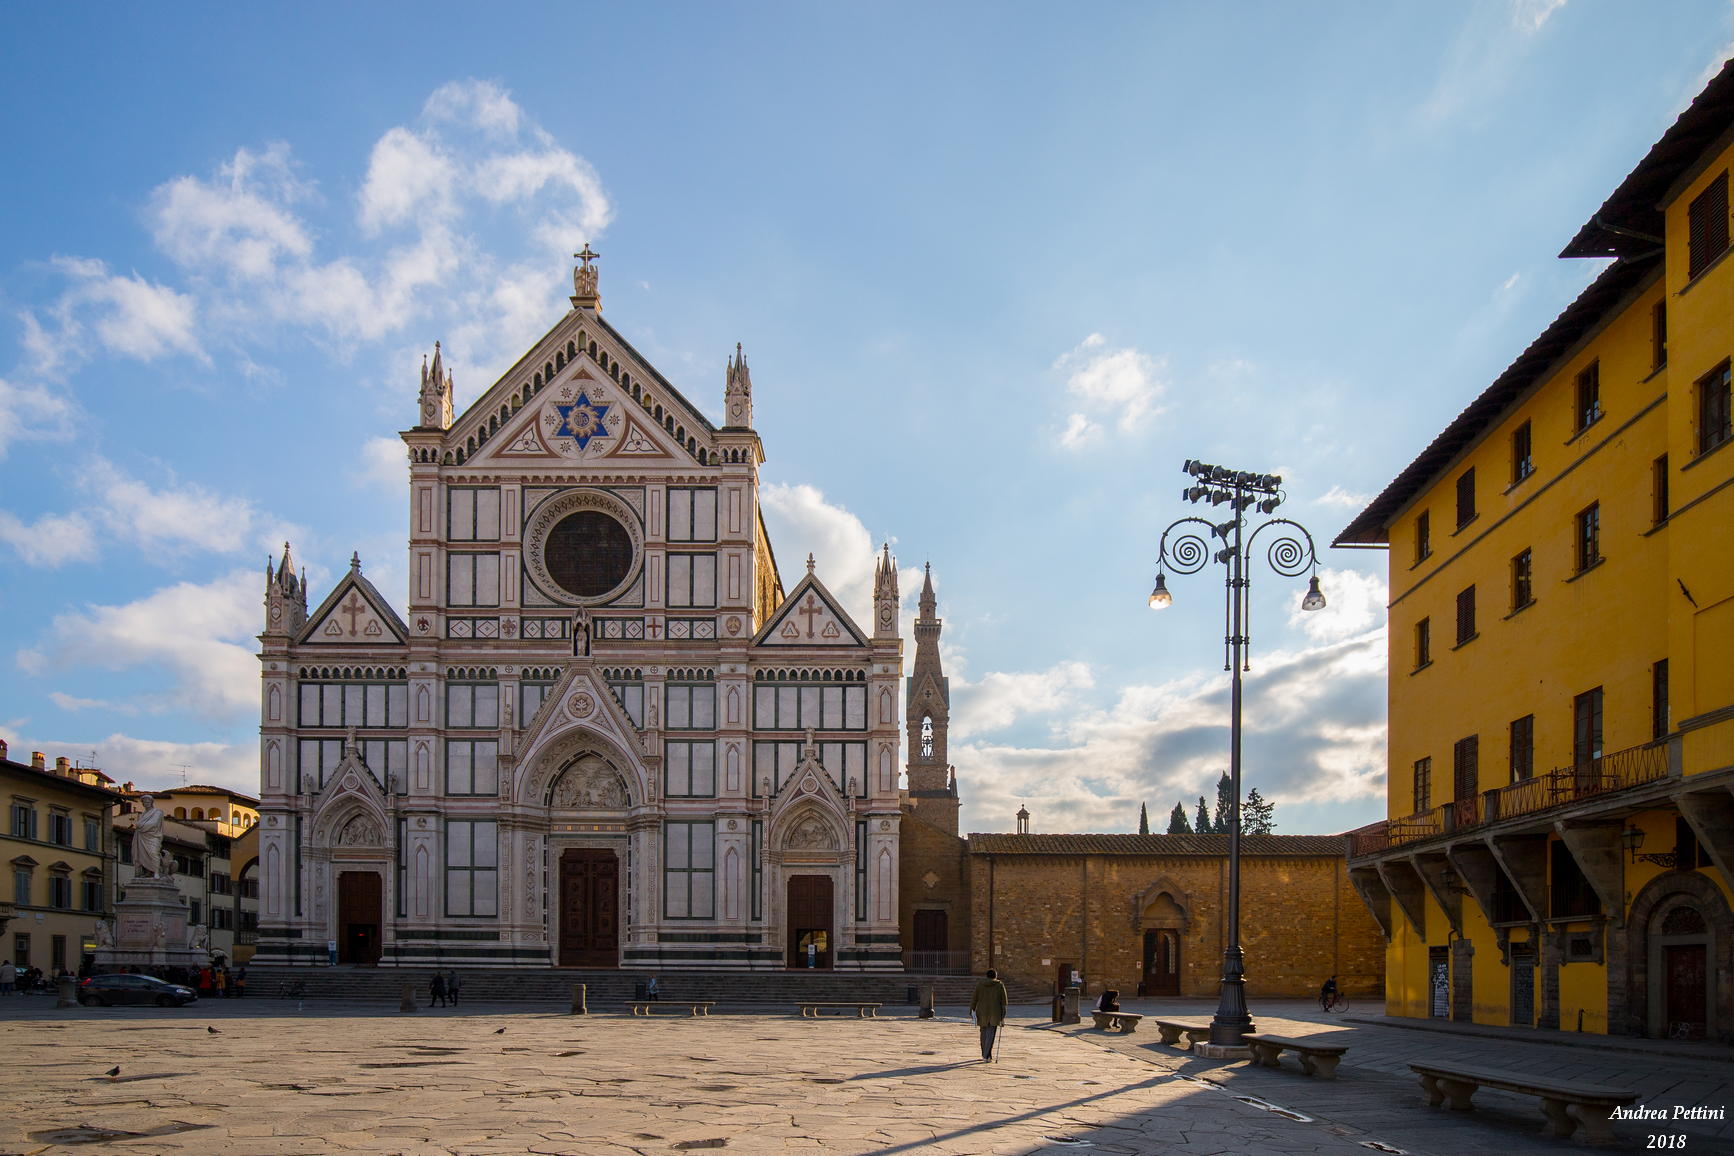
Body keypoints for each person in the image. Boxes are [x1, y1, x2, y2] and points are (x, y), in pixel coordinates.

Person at [970, 968, 1009, 1063]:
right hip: (995, 1013)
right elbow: (1004, 1002)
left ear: (986, 976)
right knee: (991, 1035)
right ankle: (987, 1055)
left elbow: (974, 998)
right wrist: (1003, 1016)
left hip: (982, 1012)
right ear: (995, 976)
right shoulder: (999, 985)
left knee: (983, 1034)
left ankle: (985, 1053)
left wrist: (972, 1010)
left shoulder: (980, 985)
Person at [133, 795, 167, 878]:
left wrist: (139, 825)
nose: (146, 803)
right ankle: (149, 872)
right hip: (142, 836)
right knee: (143, 855)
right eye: (144, 802)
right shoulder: (143, 814)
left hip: (153, 836)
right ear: (143, 804)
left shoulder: (157, 812)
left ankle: (156, 872)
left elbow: (153, 823)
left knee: (153, 853)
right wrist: (139, 825)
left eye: (148, 802)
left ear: (151, 803)